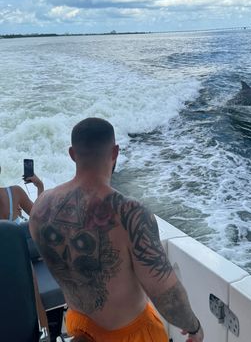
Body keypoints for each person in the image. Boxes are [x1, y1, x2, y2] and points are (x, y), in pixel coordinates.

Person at [29, 117, 204, 342]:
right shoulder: (129, 213)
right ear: (115, 153)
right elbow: (167, 295)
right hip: (131, 335)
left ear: (72, 154)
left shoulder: (41, 208)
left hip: (78, 325)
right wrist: (193, 328)